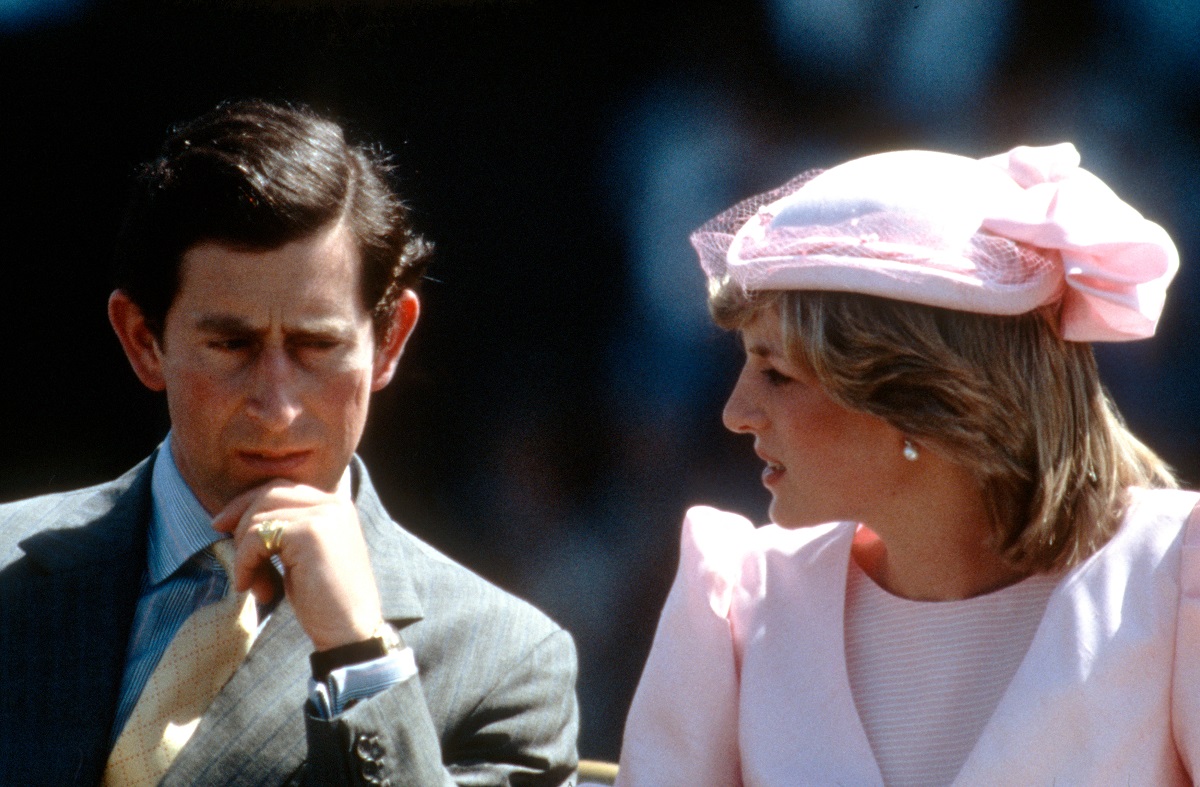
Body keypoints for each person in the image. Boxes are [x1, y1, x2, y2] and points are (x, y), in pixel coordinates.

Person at [0, 100, 578, 786]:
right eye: (231, 345)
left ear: (390, 340)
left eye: (316, 346)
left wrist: (361, 658)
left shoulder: (503, 660)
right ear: (142, 340)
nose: (277, 407)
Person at [615, 143, 1200, 784]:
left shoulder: (1173, 577)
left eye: (777, 374)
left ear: (921, 396)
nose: (736, 412)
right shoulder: (738, 605)